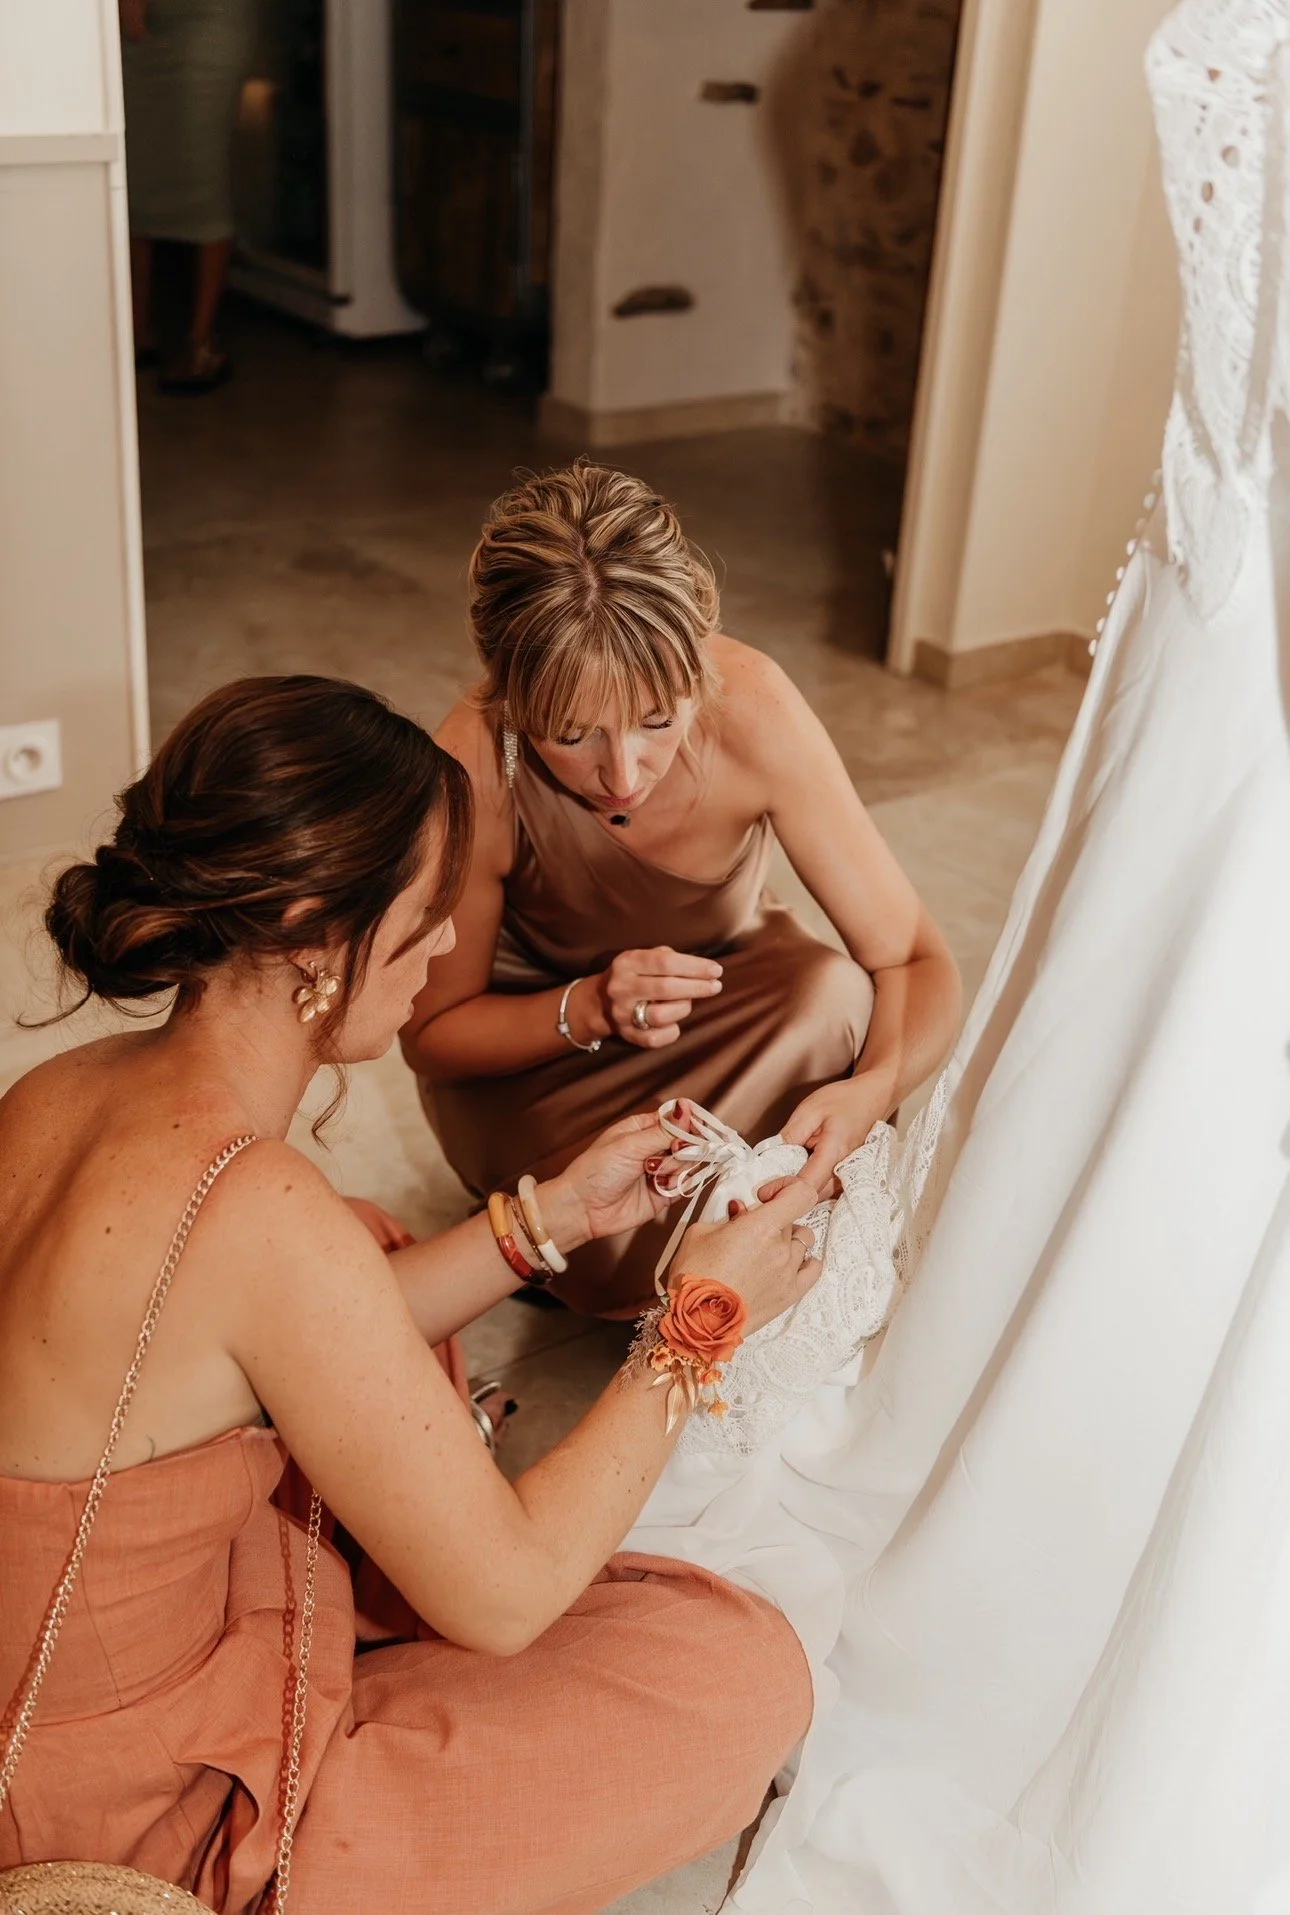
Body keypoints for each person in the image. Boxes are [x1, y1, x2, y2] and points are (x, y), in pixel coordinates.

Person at [0, 676, 817, 1915]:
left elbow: (284, 1314)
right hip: (127, 1818)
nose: (448, 946)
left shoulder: (60, 1089)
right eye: (431, 910)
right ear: (316, 928)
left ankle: (402, 1553)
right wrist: (697, 1321)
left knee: (367, 1240)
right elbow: (509, 1594)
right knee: (739, 1670)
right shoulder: (255, 1209)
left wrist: (549, 1218)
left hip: (51, 1688)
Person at [404, 461, 962, 1314]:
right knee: (605, 1230)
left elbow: (915, 958)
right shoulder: (478, 759)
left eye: (659, 720)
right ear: (515, 701)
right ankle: (654, 1252)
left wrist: (870, 1092)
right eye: (572, 734)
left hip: (726, 1011)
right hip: (543, 1074)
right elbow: (433, 1035)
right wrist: (588, 1005)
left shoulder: (755, 706)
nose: (623, 774)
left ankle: (738, 1240)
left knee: (840, 996)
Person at [119, 0, 257, 393]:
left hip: (208, 21)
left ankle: (202, 343)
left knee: (202, 168)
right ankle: (136, 332)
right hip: (143, 26)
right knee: (135, 174)